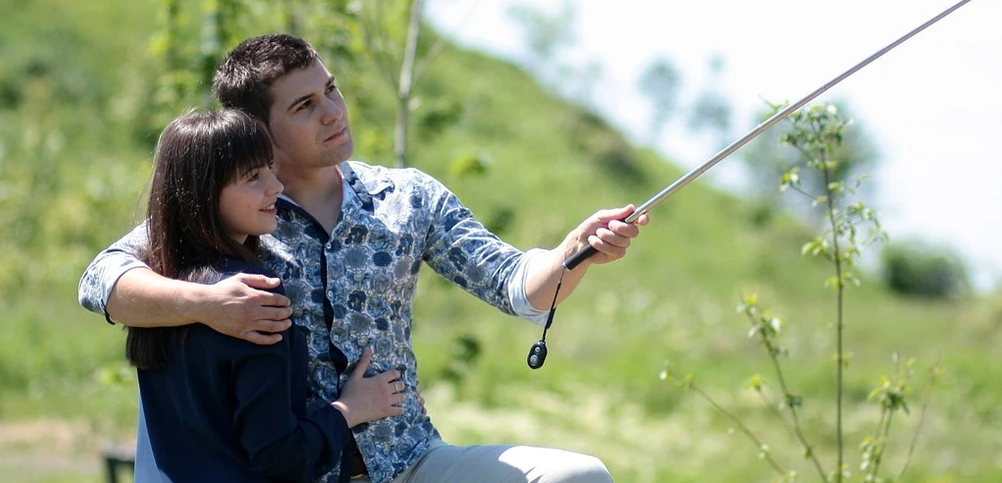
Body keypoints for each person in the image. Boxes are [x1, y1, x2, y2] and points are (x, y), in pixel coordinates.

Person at [79, 34, 649, 483]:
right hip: (280, 471)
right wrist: (209, 304)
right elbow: (101, 280)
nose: (333, 111)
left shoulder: (409, 197)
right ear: (259, 131)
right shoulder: (229, 214)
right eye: (305, 105)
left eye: (332, 89)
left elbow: (518, 285)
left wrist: (575, 252)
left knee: (577, 475)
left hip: (410, 464)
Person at [125, 109, 404, 482]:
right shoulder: (254, 298)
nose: (275, 186)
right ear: (204, 194)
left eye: (270, 169)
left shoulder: (158, 288)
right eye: (253, 177)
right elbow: (280, 457)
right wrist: (351, 408)